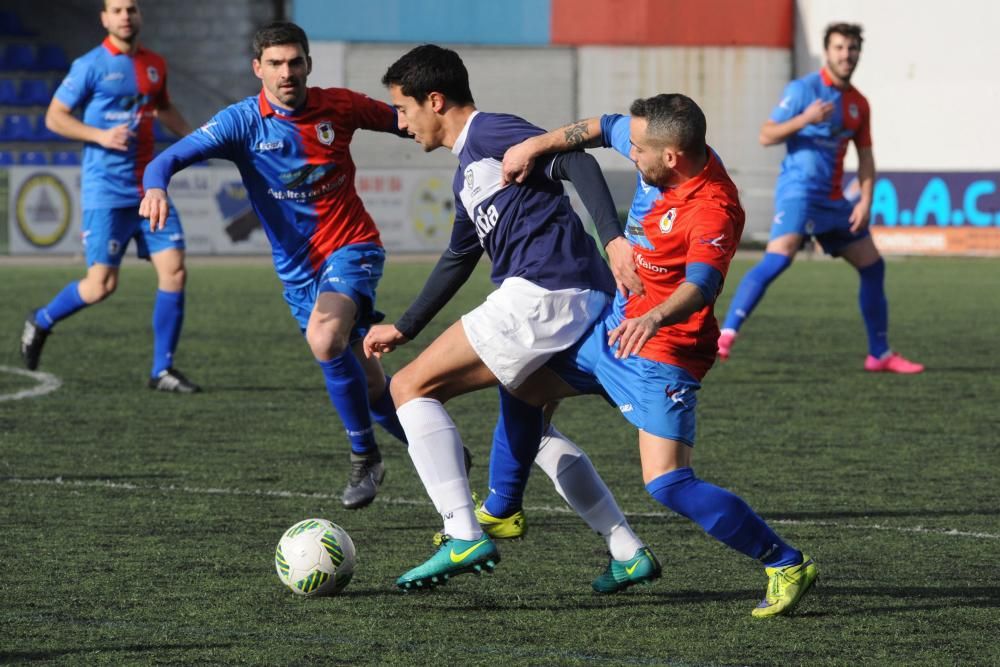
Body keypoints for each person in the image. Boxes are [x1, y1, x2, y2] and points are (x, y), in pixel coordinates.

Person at [500, 93, 818, 617]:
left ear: (671, 157)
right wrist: (533, 146)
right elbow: (600, 127)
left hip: (666, 348)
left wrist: (653, 316)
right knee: (520, 387)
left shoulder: (714, 207)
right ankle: (497, 513)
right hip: (614, 324)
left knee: (668, 484)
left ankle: (785, 561)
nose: (632, 154)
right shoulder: (657, 140)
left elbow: (702, 284)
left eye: (639, 150)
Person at [366, 44, 658, 592]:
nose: (401, 124)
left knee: (409, 388)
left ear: (435, 100)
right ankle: (627, 549)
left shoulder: (490, 132)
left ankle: (463, 533)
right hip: (572, 300)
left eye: (404, 110)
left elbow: (577, 160)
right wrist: (405, 326)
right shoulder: (465, 177)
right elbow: (458, 256)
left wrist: (613, 238)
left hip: (545, 295)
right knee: (532, 424)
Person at [139, 21, 413, 508]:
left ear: (308, 63)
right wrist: (157, 185)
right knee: (371, 385)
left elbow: (409, 121)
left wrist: (474, 141)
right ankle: (437, 447)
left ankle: (364, 457)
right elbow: (167, 159)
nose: (287, 72)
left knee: (324, 338)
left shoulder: (340, 106)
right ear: (257, 69)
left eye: (295, 62)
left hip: (353, 247)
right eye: (275, 64)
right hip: (298, 274)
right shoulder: (240, 123)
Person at [717, 22, 923, 373]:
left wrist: (865, 201)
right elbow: (766, 135)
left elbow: (867, 157)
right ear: (827, 52)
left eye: (852, 48)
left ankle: (879, 354)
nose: (847, 55)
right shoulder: (804, 90)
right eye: (840, 48)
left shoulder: (859, 104)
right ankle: (725, 335)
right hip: (799, 194)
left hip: (835, 202)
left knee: (873, 265)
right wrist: (804, 119)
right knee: (779, 258)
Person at [20, 0, 199, 392]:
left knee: (175, 271)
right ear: (104, 18)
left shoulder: (156, 65)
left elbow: (163, 106)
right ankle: (42, 319)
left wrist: (198, 139)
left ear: (140, 16)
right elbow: (55, 117)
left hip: (149, 190)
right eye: (116, 10)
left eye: (131, 9)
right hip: (107, 192)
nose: (125, 16)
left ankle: (162, 370)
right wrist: (100, 135)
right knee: (101, 285)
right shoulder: (90, 65)